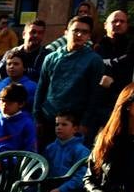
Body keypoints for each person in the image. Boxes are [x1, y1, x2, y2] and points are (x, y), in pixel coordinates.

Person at [34, 15, 105, 147]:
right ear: (66, 32)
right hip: (49, 119)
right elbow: (41, 88)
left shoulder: (94, 61)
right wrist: (37, 117)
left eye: (84, 32)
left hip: (76, 123)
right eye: (75, 30)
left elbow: (95, 95)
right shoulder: (51, 57)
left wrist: (85, 123)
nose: (79, 34)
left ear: (89, 36)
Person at [0, 84, 37, 164]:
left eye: (10, 102)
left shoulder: (27, 124)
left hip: (15, 167)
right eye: (2, 100)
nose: (4, 105)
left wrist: (3, 164)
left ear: (21, 104)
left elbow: (30, 153)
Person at [44, 112, 91, 192]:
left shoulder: (82, 150)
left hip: (71, 191)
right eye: (57, 124)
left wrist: (59, 190)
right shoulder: (50, 148)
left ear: (75, 129)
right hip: (50, 188)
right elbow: (43, 171)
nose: (59, 127)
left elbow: (81, 177)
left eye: (64, 124)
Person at [0, 50, 37, 122]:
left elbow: (35, 110)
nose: (11, 66)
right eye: (9, 64)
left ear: (24, 67)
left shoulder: (33, 87)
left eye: (16, 64)